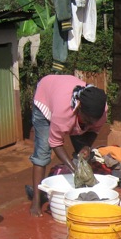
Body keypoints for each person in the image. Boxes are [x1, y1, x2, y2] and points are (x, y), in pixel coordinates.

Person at [29, 74, 107, 217]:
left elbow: (94, 130)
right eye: (87, 120)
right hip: (45, 97)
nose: (90, 124)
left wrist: (87, 146)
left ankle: (81, 191)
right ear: (79, 108)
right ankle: (36, 200)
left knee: (82, 153)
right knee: (42, 153)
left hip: (67, 104)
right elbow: (55, 142)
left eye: (93, 122)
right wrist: (73, 169)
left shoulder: (101, 111)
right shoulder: (63, 113)